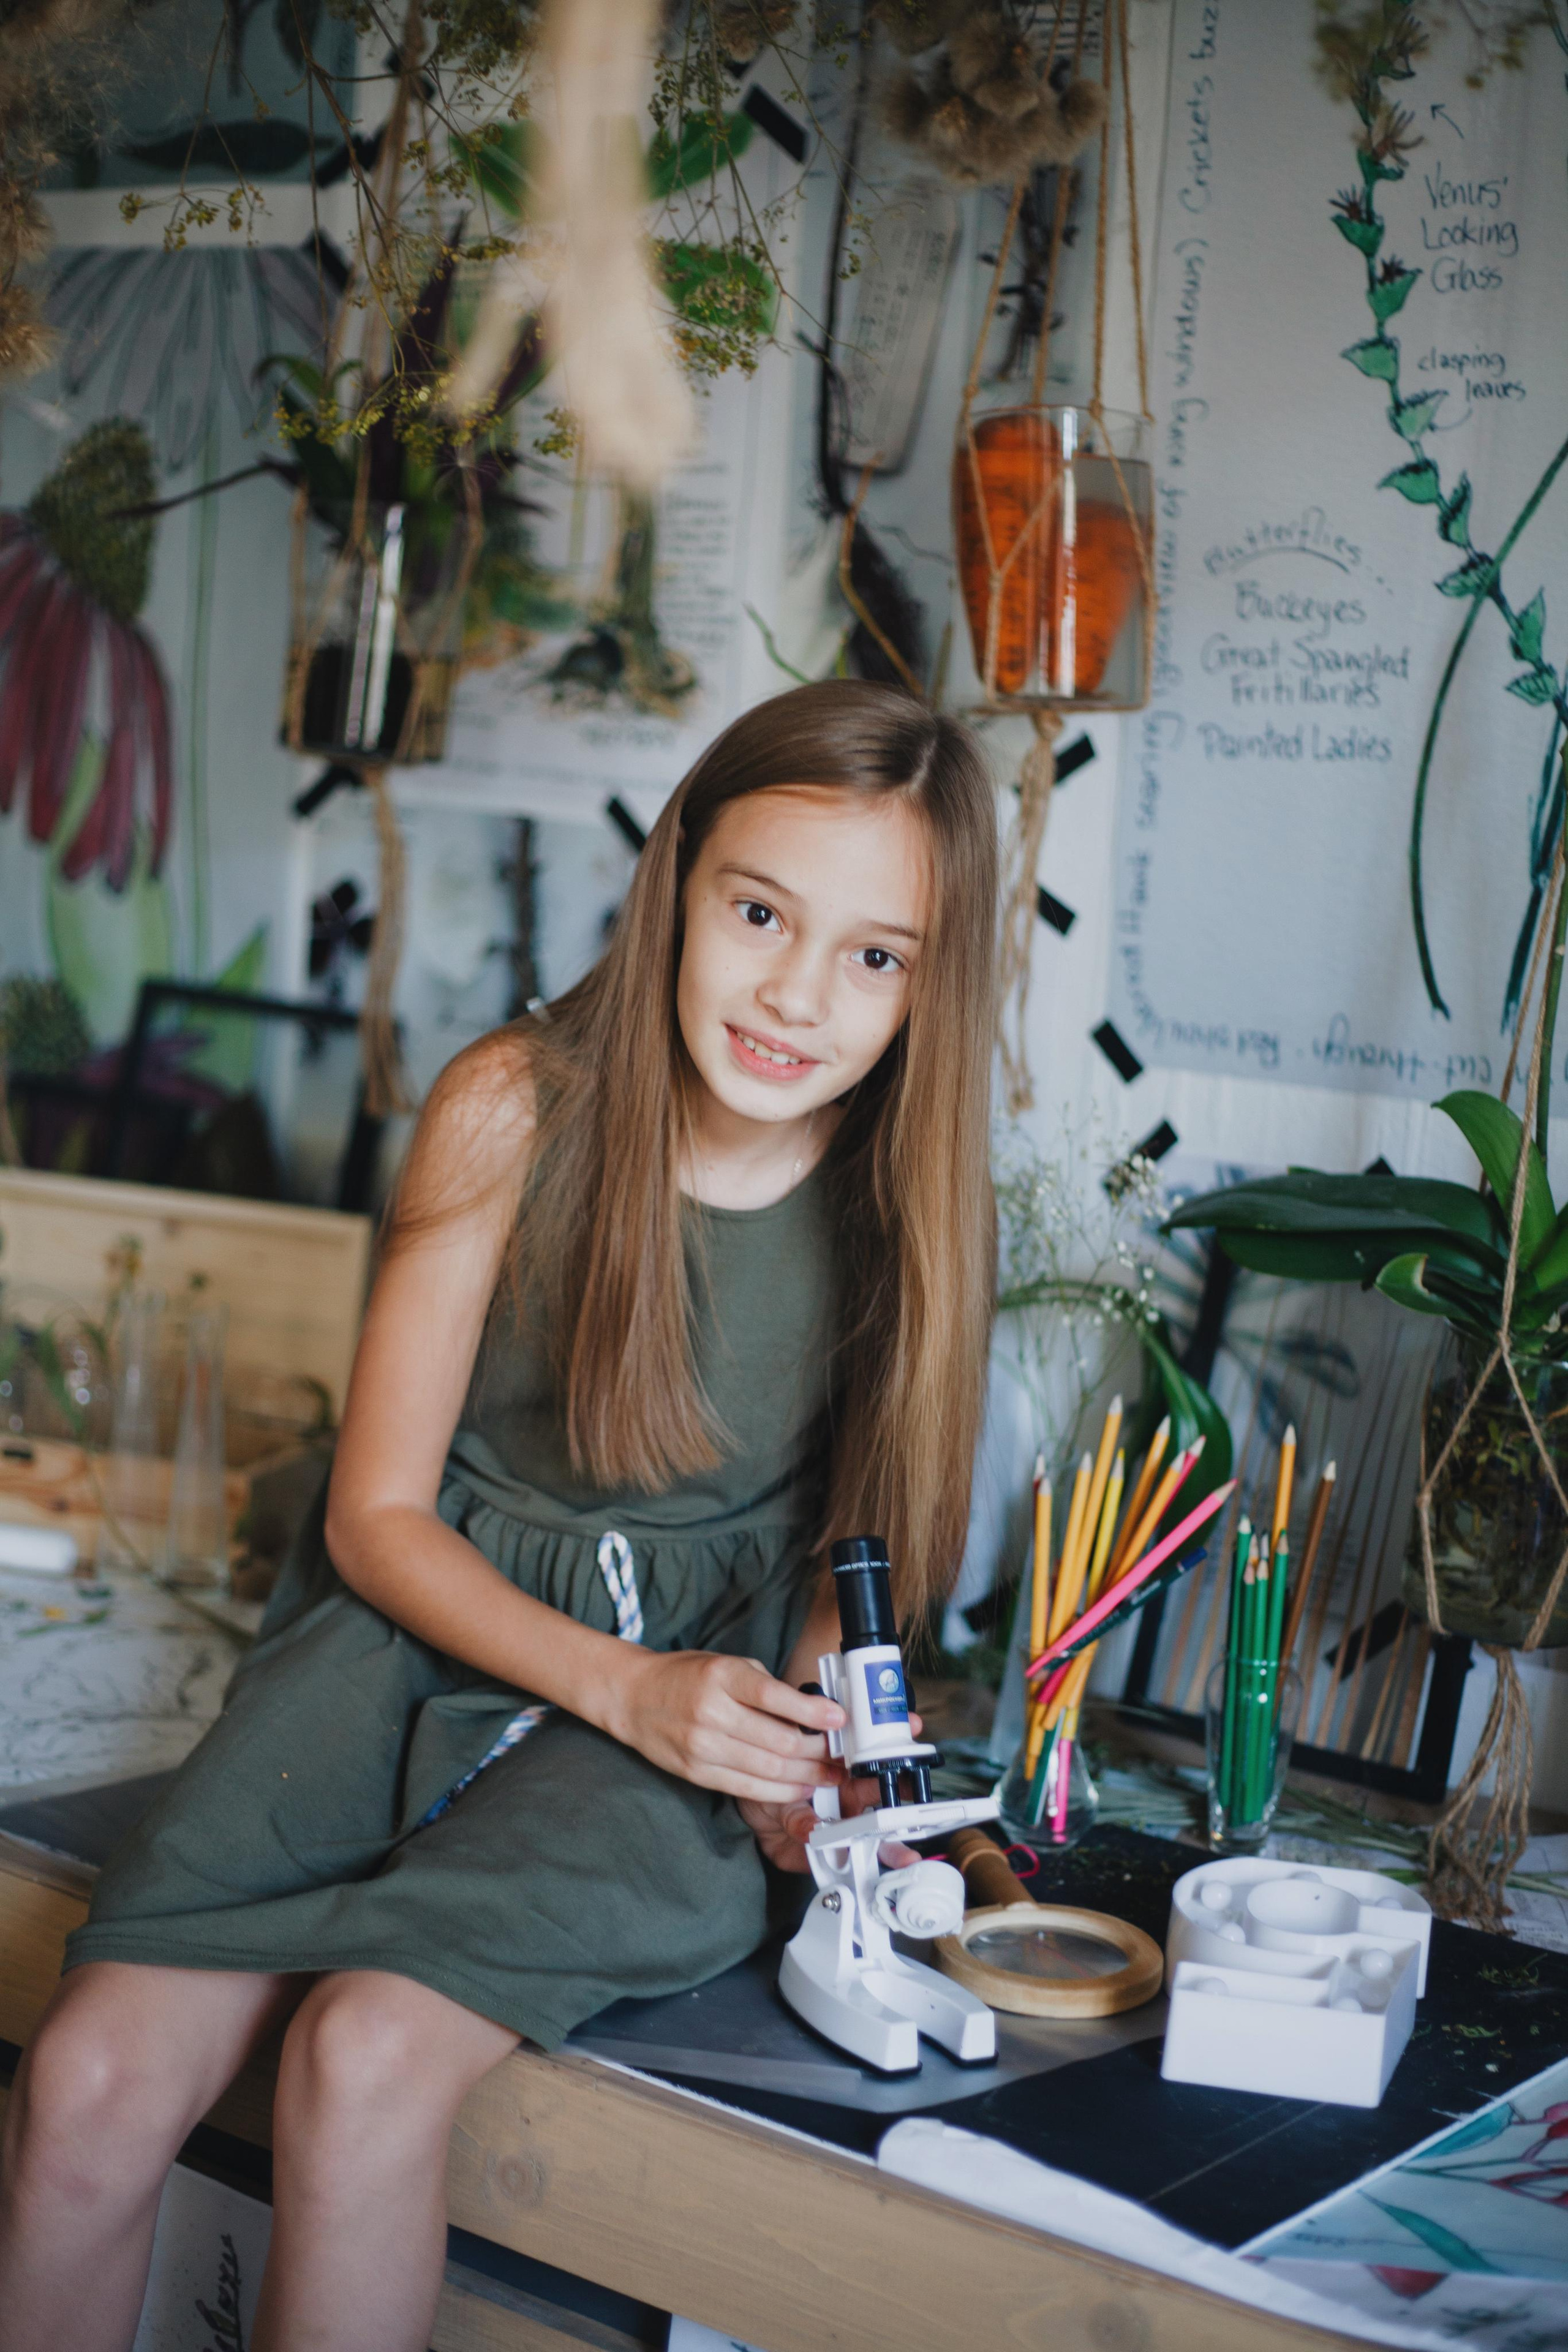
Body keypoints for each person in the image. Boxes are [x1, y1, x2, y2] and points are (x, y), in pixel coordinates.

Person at [0, 679, 998, 2352]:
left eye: (875, 955)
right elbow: (376, 1517)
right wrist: (614, 1680)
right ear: (678, 878)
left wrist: (810, 1734)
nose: (798, 994)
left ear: (929, 985)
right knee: (90, 2077)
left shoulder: (904, 1207)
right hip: (417, 1630)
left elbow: (863, 1549)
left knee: (365, 2061)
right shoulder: (511, 1106)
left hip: (686, 1714)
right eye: (760, 912)